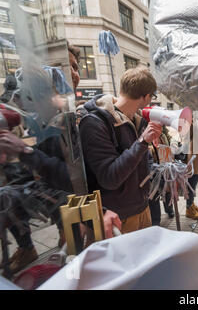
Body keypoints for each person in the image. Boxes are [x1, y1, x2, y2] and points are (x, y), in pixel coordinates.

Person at [0, 43, 122, 274]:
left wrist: (25, 152)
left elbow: (76, 177)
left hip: (92, 216)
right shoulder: (43, 123)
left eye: (76, 67)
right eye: (69, 68)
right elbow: (45, 178)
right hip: (73, 216)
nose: (75, 74)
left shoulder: (78, 118)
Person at [78, 66, 162, 234]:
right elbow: (110, 177)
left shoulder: (138, 121)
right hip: (116, 217)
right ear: (146, 97)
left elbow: (143, 159)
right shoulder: (95, 123)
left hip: (141, 208)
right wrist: (142, 142)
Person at [148, 126, 175, 226]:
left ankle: (169, 209)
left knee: (167, 190)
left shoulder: (163, 134)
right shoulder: (146, 135)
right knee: (154, 195)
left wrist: (172, 146)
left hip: (165, 165)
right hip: (153, 169)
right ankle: (156, 221)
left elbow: (170, 141)